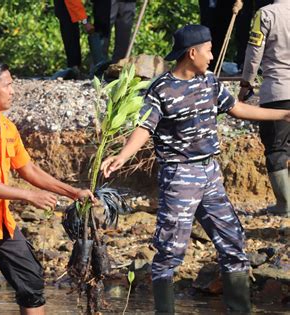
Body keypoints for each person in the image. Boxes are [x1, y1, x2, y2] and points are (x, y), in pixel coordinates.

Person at [100, 24, 290, 314]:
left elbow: (237, 108)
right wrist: (122, 157)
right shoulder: (161, 89)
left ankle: (240, 310)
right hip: (179, 178)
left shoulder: (209, 82)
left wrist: (283, 114)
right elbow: (144, 127)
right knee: (169, 253)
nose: (212, 56)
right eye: (208, 50)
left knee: (233, 244)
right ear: (192, 53)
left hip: (211, 175)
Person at [0, 60, 95, 314]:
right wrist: (29, 197)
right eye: (8, 85)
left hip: (1, 223)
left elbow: (29, 169)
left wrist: (74, 192)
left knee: (32, 285)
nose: (13, 90)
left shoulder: (7, 126)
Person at [239, 0, 290, 217]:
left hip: (278, 92)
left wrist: (245, 84)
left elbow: (254, 53)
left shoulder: (266, 14)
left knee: (276, 148)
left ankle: (285, 205)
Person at [53, 0, 110, 79]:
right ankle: (74, 68)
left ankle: (94, 66)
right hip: (66, 4)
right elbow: (73, 3)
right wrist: (85, 22)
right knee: (69, 27)